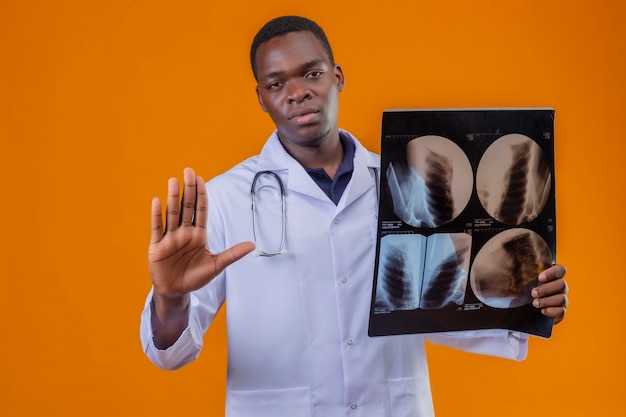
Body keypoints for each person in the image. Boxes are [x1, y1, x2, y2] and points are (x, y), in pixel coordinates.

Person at [140, 15, 569, 417]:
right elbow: (171, 351)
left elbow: (442, 308)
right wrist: (170, 298)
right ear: (261, 98)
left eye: (312, 73)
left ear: (338, 76)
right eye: (276, 82)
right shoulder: (223, 199)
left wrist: (526, 302)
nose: (297, 92)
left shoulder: (407, 183)